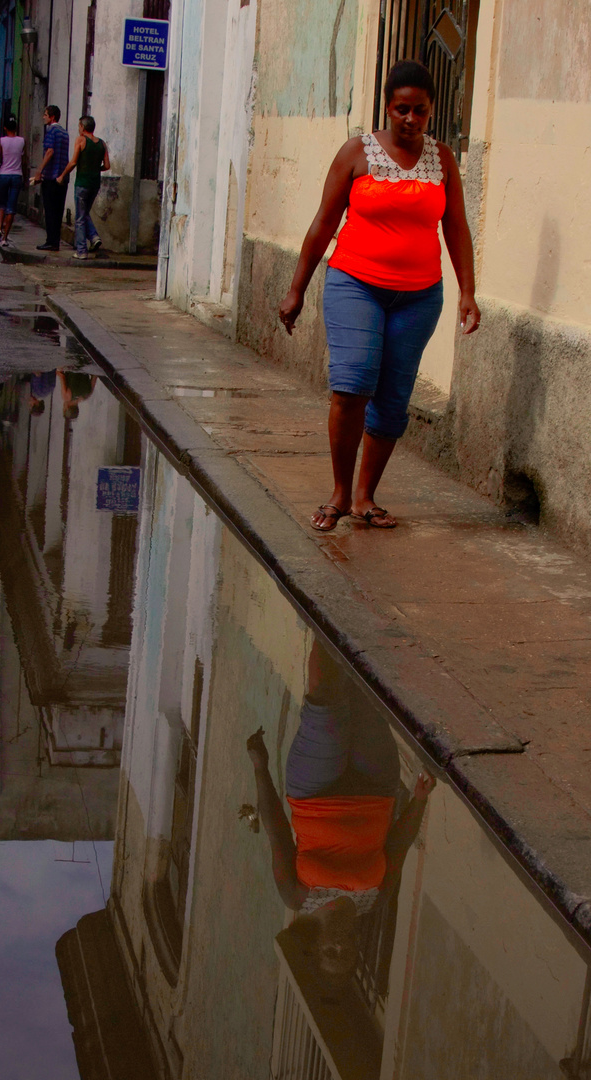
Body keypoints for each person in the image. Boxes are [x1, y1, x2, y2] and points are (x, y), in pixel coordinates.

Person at [279, 60, 481, 533]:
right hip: (355, 283)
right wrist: (296, 289)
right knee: (352, 385)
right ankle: (338, 493)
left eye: (421, 111)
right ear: (387, 108)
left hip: (419, 297)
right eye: (401, 109)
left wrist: (467, 292)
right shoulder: (357, 152)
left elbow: (457, 230)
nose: (410, 119)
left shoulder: (443, 160)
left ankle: (366, 497)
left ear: (432, 112)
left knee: (392, 398)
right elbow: (322, 226)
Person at [247, 637, 435, 974]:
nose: (339, 946)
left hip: (314, 793)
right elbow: (398, 846)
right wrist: (418, 800)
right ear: (355, 949)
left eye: (329, 953)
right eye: (345, 955)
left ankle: (324, 618)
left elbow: (276, 833)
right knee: (367, 692)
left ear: (317, 946)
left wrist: (260, 767)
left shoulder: (296, 898)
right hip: (376, 787)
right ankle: (362, 623)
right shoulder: (377, 901)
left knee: (323, 695)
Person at [55, 115, 110, 260]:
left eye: (79, 126)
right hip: (95, 183)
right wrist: (95, 169)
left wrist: (62, 175)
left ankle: (81, 250)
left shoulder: (80, 140)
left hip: (82, 183)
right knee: (84, 212)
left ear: (83, 127)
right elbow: (107, 165)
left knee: (79, 217)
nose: (78, 129)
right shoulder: (102, 144)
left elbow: (73, 162)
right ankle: (93, 237)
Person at [0, 116, 27, 247]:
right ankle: (5, 239)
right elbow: (24, 161)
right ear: (16, 128)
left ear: (5, 128)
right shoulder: (22, 141)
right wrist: (23, 176)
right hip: (16, 176)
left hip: (3, 175)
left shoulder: (1, 141)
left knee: (2, 205)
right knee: (11, 208)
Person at [33, 105, 69, 252]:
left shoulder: (51, 131)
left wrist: (39, 170)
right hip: (62, 177)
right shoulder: (64, 133)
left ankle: (50, 241)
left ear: (52, 117)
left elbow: (50, 151)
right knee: (58, 211)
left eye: (46, 114)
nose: (43, 117)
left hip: (51, 177)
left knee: (49, 210)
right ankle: (55, 241)